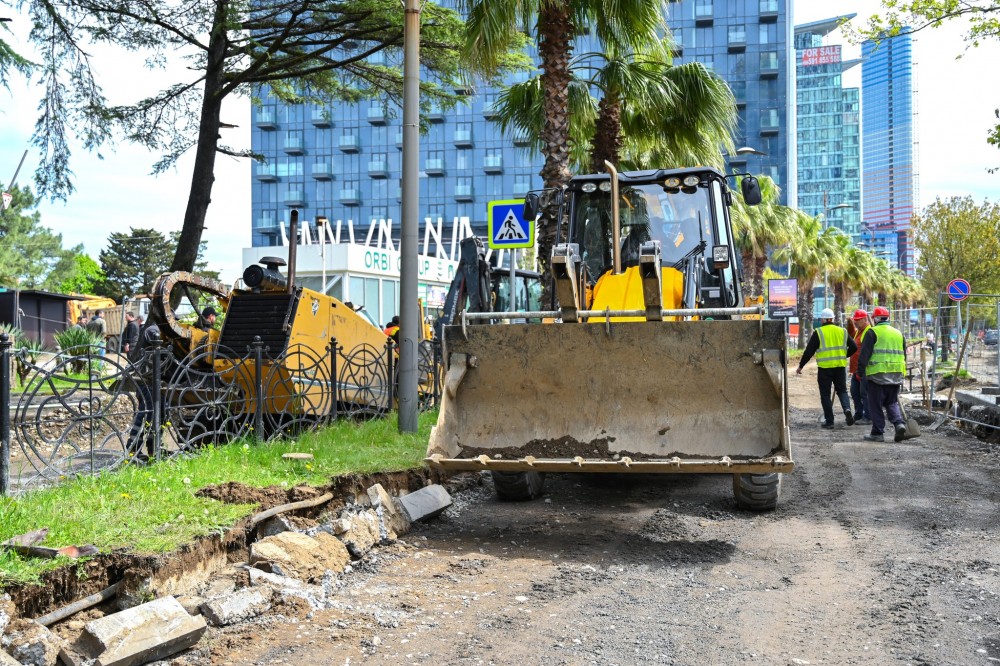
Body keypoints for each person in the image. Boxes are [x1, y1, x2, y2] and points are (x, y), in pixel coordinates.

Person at [795, 308, 858, 429]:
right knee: (842, 391)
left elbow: (809, 351)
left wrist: (801, 366)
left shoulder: (819, 332)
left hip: (825, 369)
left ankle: (829, 421)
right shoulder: (843, 331)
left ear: (823, 320)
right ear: (833, 319)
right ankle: (847, 409)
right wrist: (844, 355)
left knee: (825, 394)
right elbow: (854, 347)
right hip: (840, 367)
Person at [858, 305, 908, 442]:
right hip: (896, 373)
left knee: (875, 403)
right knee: (891, 402)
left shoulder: (872, 332)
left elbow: (864, 355)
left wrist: (860, 372)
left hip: (877, 374)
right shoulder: (898, 333)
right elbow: (904, 354)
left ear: (875, 319)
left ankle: (877, 433)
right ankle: (899, 424)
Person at [848, 309, 873, 426]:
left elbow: (866, 352)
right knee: (854, 392)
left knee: (864, 393)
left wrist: (861, 369)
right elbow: (851, 335)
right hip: (856, 369)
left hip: (864, 369)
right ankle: (859, 413)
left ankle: (867, 416)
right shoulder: (859, 331)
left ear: (865, 319)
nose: (856, 323)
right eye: (855, 321)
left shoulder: (868, 332)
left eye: (857, 321)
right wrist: (850, 324)